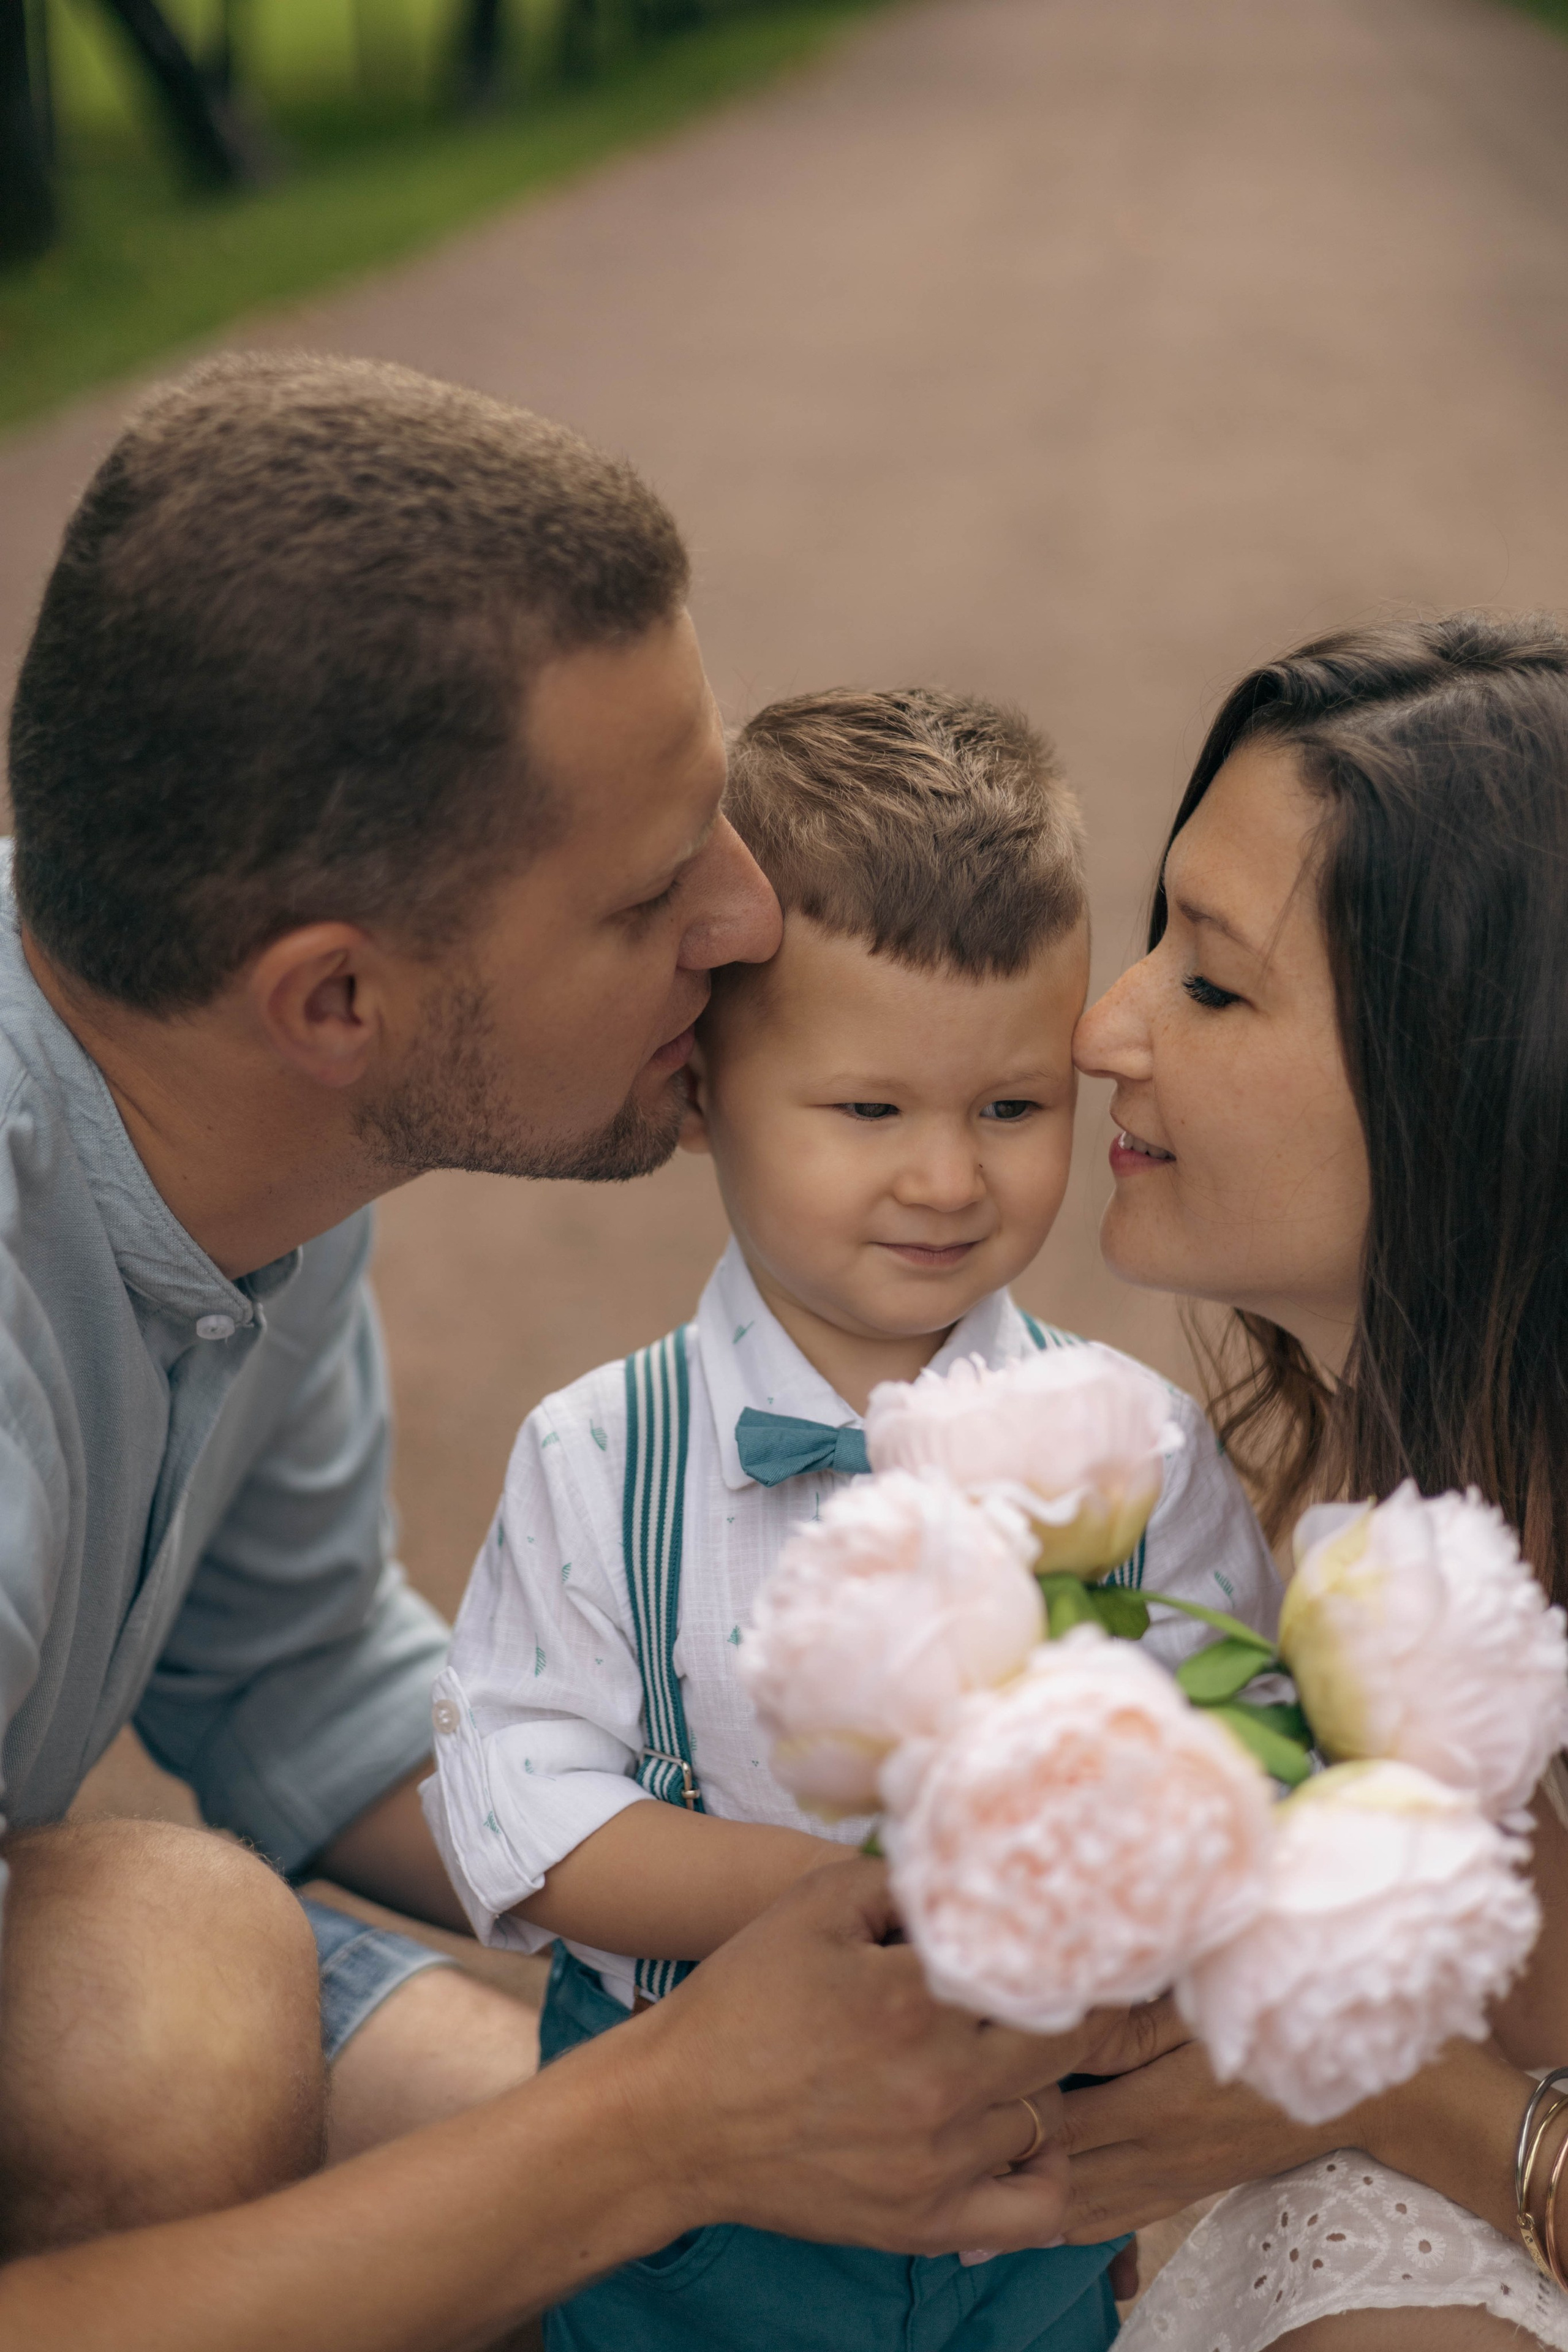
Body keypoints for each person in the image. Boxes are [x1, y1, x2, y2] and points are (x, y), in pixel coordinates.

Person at [0, 352, 1163, 2348]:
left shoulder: (259, 1148)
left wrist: (810, 1916)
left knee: (874, 2179)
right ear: (337, 1000)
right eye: (656, 892)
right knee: (172, 2006)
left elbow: (294, 1686)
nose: (746, 920)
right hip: (87, 1997)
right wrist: (660, 2130)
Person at [424, 685, 1283, 2351]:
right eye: (871, 1111)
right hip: (695, 2186)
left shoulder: (1134, 1449)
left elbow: (1244, 1724)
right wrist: (849, 1901)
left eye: (1013, 1109)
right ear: (699, 1093)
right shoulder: (608, 1454)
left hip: (1028, 2168)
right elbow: (520, 1798)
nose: (950, 1180)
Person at [1068, 611, 1568, 2351]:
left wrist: (1378, 2089)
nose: (1101, 1028)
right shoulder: (1328, 1506)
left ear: (1469, 1083)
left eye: (1210, 981)